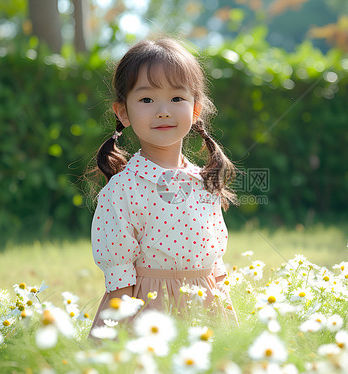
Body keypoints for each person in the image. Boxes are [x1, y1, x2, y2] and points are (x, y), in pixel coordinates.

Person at [87, 38, 239, 334]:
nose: (163, 111)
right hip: (150, 317)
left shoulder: (204, 182)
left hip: (206, 314)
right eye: (146, 99)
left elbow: (216, 269)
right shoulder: (124, 189)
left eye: (176, 98)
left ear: (195, 110)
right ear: (123, 113)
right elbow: (120, 281)